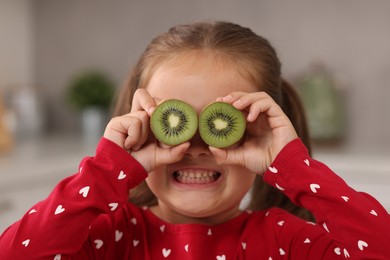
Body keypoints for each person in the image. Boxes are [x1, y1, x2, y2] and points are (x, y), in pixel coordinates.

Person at [0, 21, 389, 259]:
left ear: (261, 132)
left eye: (221, 125)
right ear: (137, 122)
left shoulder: (284, 241)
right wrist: (107, 171)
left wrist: (291, 166)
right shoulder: (109, 239)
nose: (197, 146)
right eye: (173, 124)